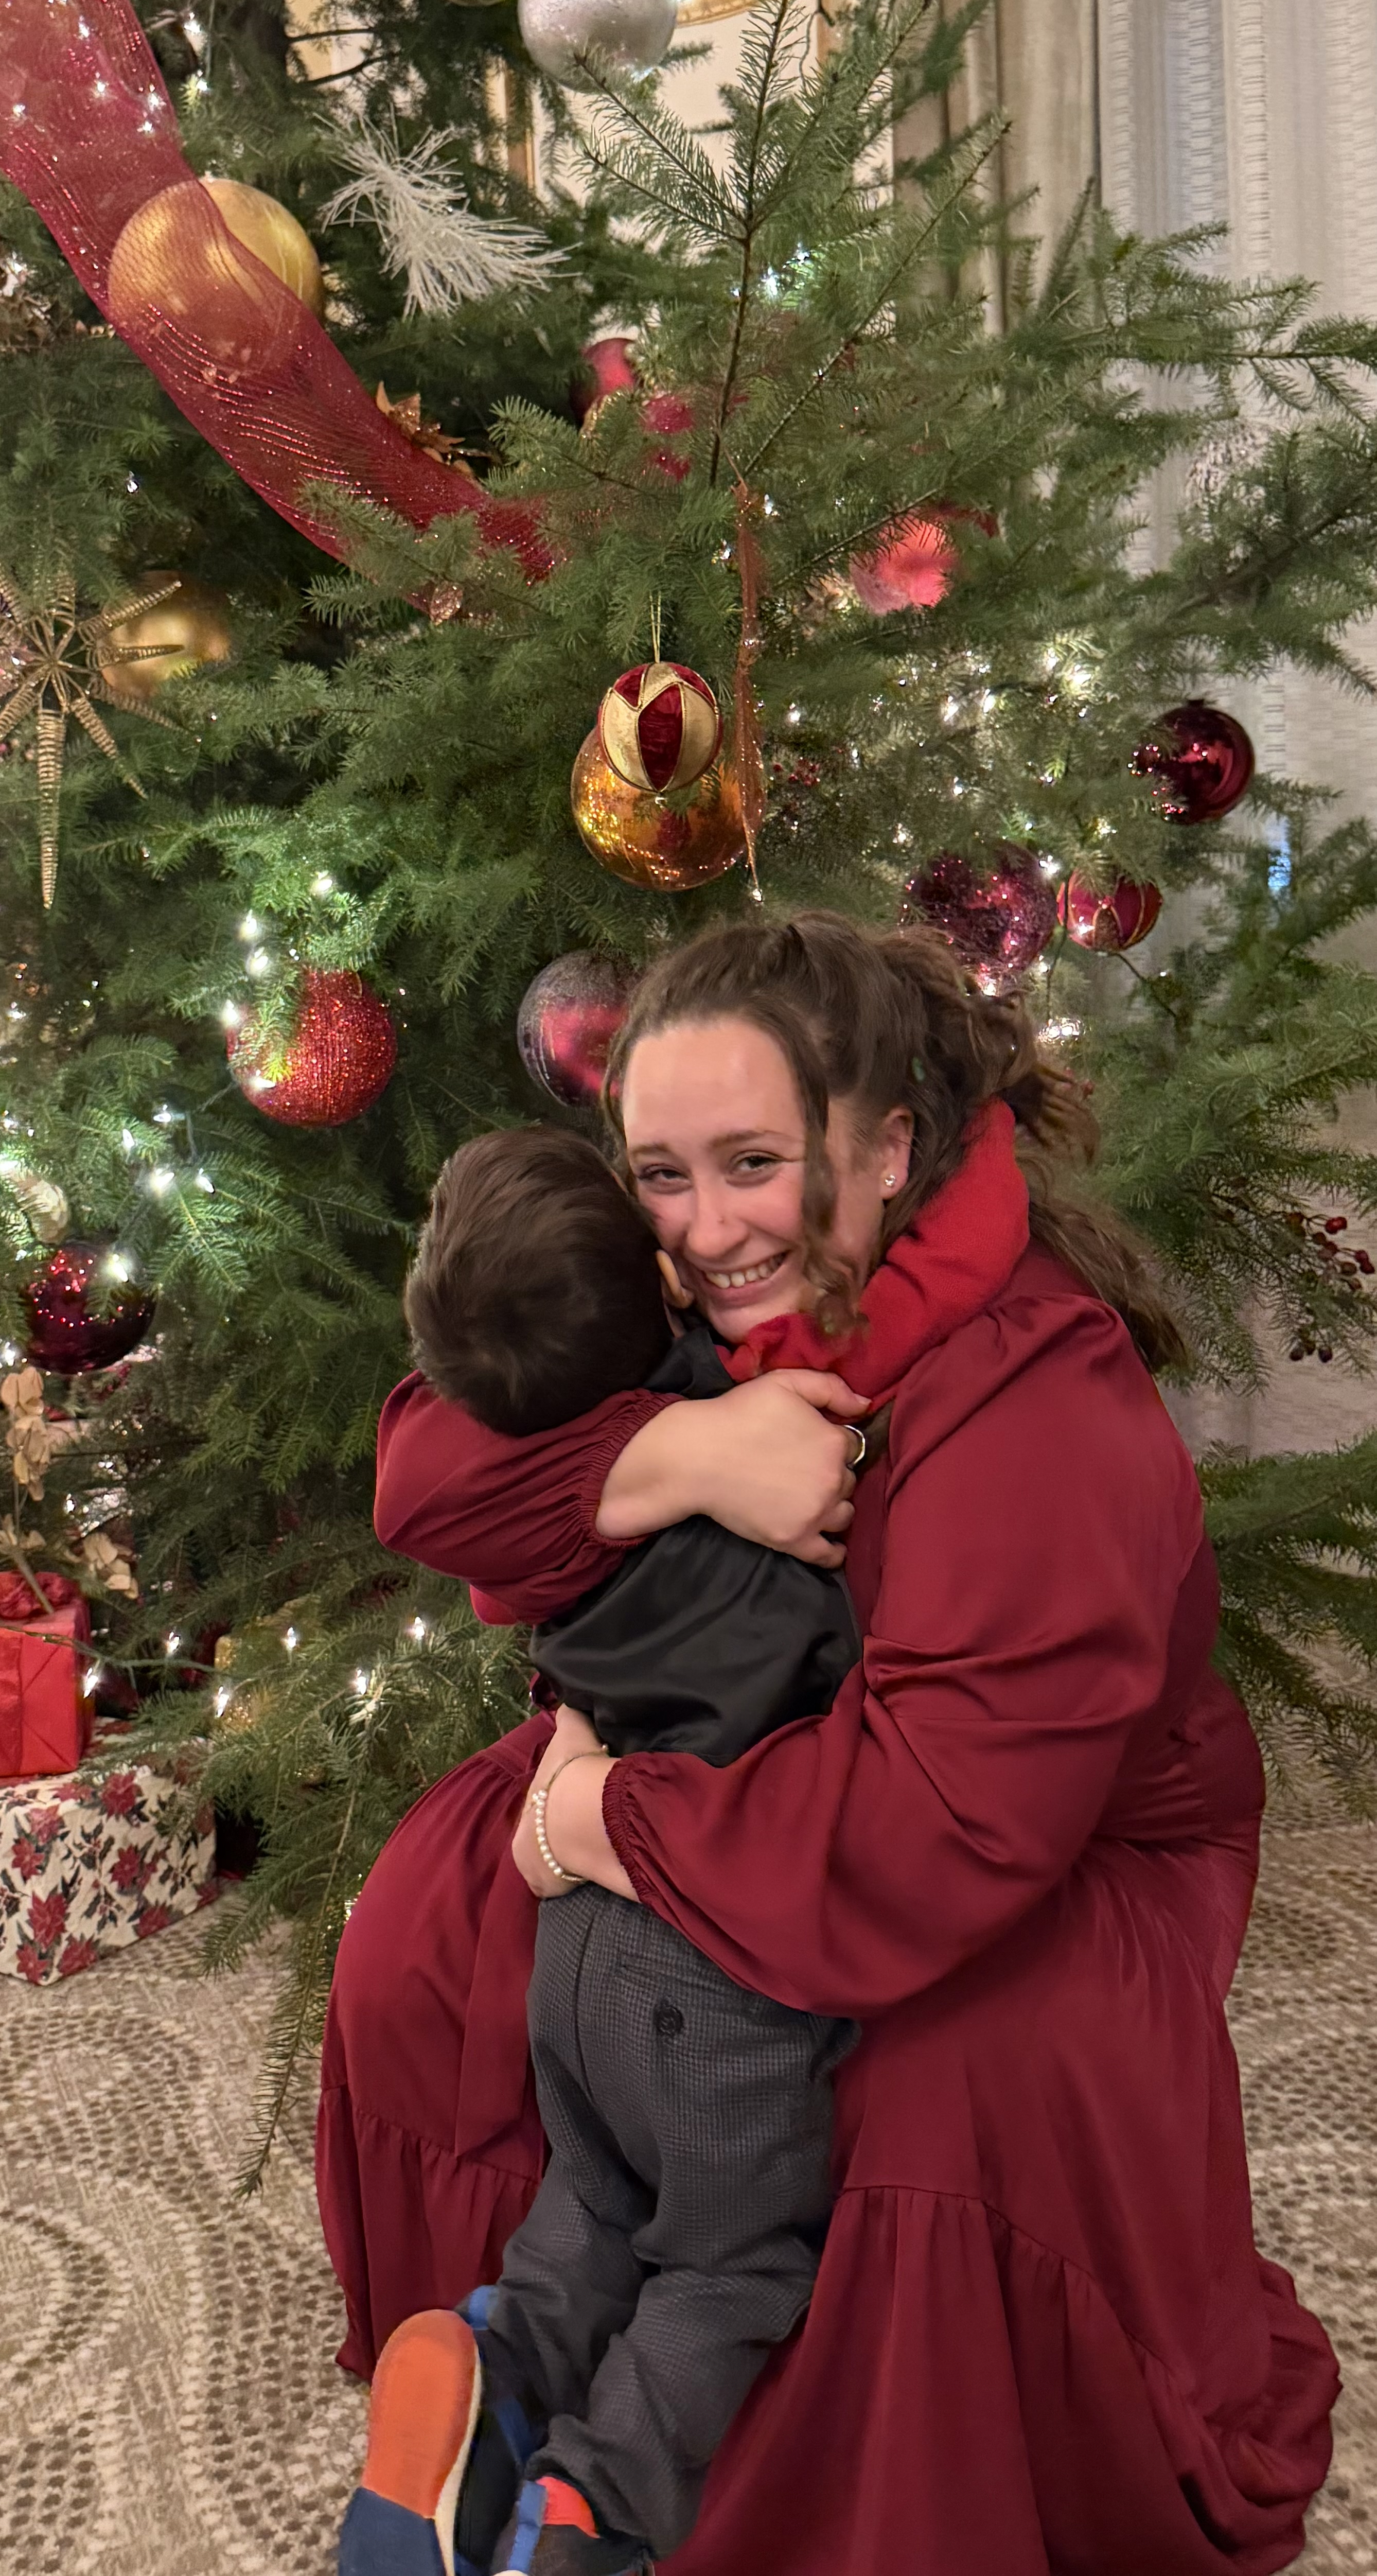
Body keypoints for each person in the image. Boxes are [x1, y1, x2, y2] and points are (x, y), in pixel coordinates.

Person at [319, 912, 1340, 2576]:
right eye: (659, 1174)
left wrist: (597, 1824)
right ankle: (520, 2397)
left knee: (919, 2086)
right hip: (740, 1739)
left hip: (1040, 1849)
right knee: (440, 1916)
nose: (708, 1232)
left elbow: (932, 1830)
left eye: (751, 1163)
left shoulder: (1040, 1399)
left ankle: (650, 2470)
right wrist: (685, 1456)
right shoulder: (684, 1297)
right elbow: (430, 1466)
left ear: (888, 1146)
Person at [339, 1122, 863, 2576]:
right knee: (729, 2260)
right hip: (708, 1948)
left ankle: (486, 2389)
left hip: (570, 1930)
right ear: (661, 1279)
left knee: (594, 2196)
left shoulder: (540, 1492)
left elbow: (427, 1458)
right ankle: (585, 2516)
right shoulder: (754, 1424)